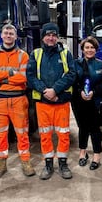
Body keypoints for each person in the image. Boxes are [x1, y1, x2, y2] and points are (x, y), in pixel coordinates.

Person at [27, 23, 76, 180]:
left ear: (57, 37)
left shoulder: (66, 54)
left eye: (54, 35)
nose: (51, 38)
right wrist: (44, 91)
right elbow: (31, 76)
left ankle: (62, 163)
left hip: (61, 101)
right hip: (43, 102)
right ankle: (48, 163)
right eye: (48, 35)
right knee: (45, 135)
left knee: (63, 134)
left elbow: (71, 75)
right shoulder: (36, 54)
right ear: (43, 38)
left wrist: (55, 90)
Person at [0, 24, 35, 179]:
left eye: (11, 33)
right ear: (1, 35)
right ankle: (1, 165)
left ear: (15, 36)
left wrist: (3, 77)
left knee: (22, 133)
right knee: (0, 135)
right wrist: (11, 74)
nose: (8, 35)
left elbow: (23, 78)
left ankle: (26, 162)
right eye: (6, 33)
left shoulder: (23, 55)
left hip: (19, 99)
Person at [71, 36, 102, 170]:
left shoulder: (101, 64)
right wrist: (80, 91)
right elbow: (72, 81)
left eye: (92, 47)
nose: (89, 50)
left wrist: (93, 91)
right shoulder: (75, 64)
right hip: (78, 101)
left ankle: (97, 154)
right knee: (82, 127)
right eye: (87, 47)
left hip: (95, 101)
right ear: (82, 49)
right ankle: (83, 152)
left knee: (94, 128)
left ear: (96, 49)